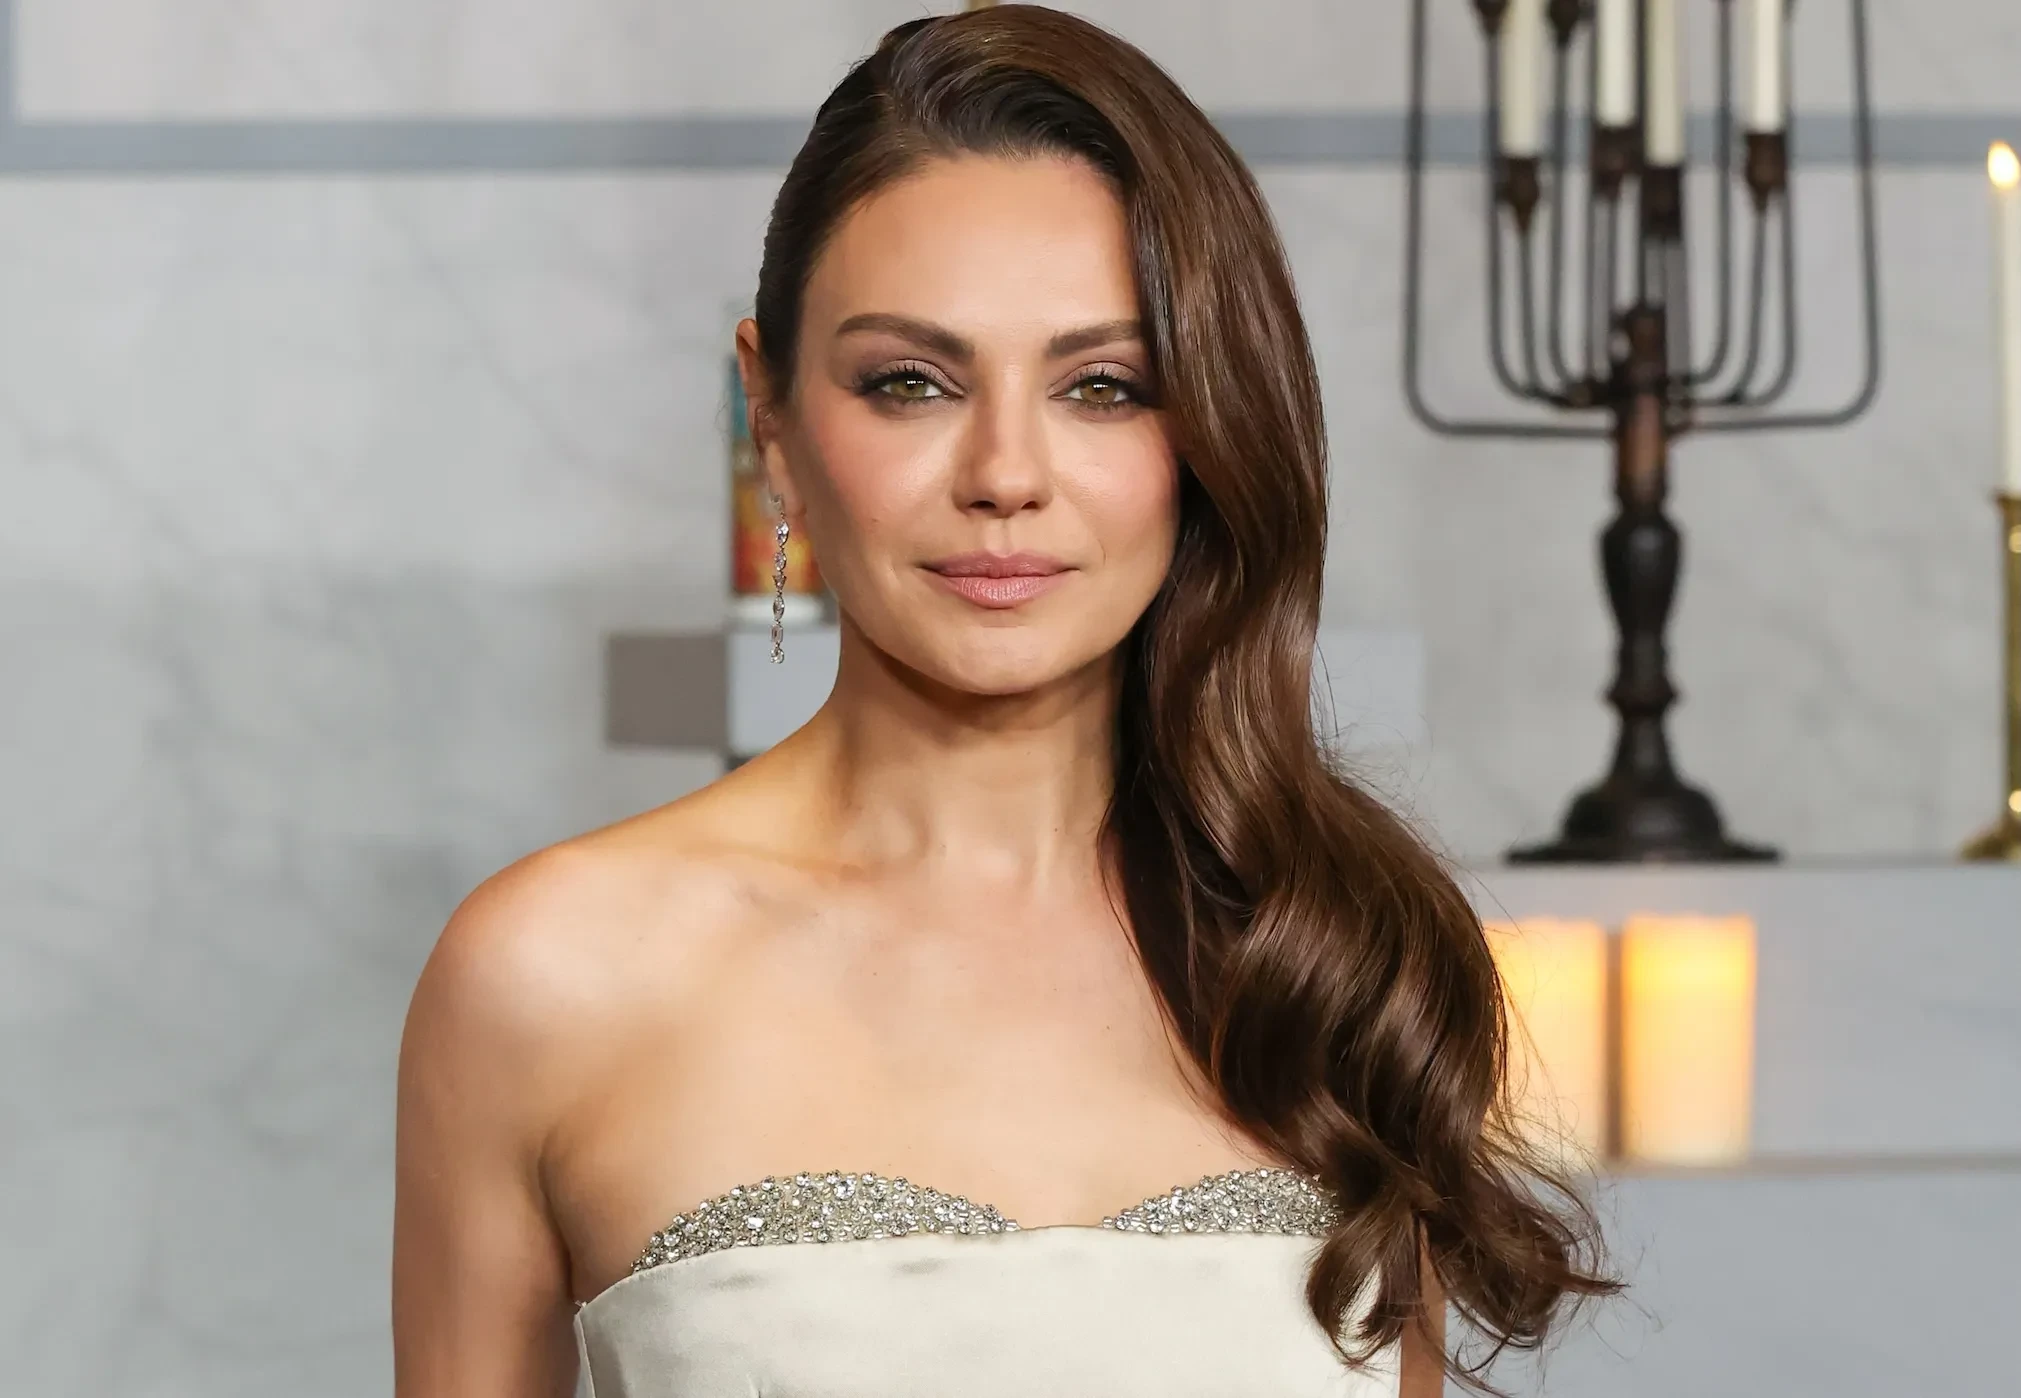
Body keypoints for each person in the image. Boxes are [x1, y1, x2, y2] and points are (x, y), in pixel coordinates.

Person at [391, 7, 1613, 1396]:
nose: (1006, 475)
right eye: (911, 382)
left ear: (1208, 429)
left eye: (1105, 387)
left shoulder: (1338, 954)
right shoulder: (552, 973)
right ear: (771, 422)